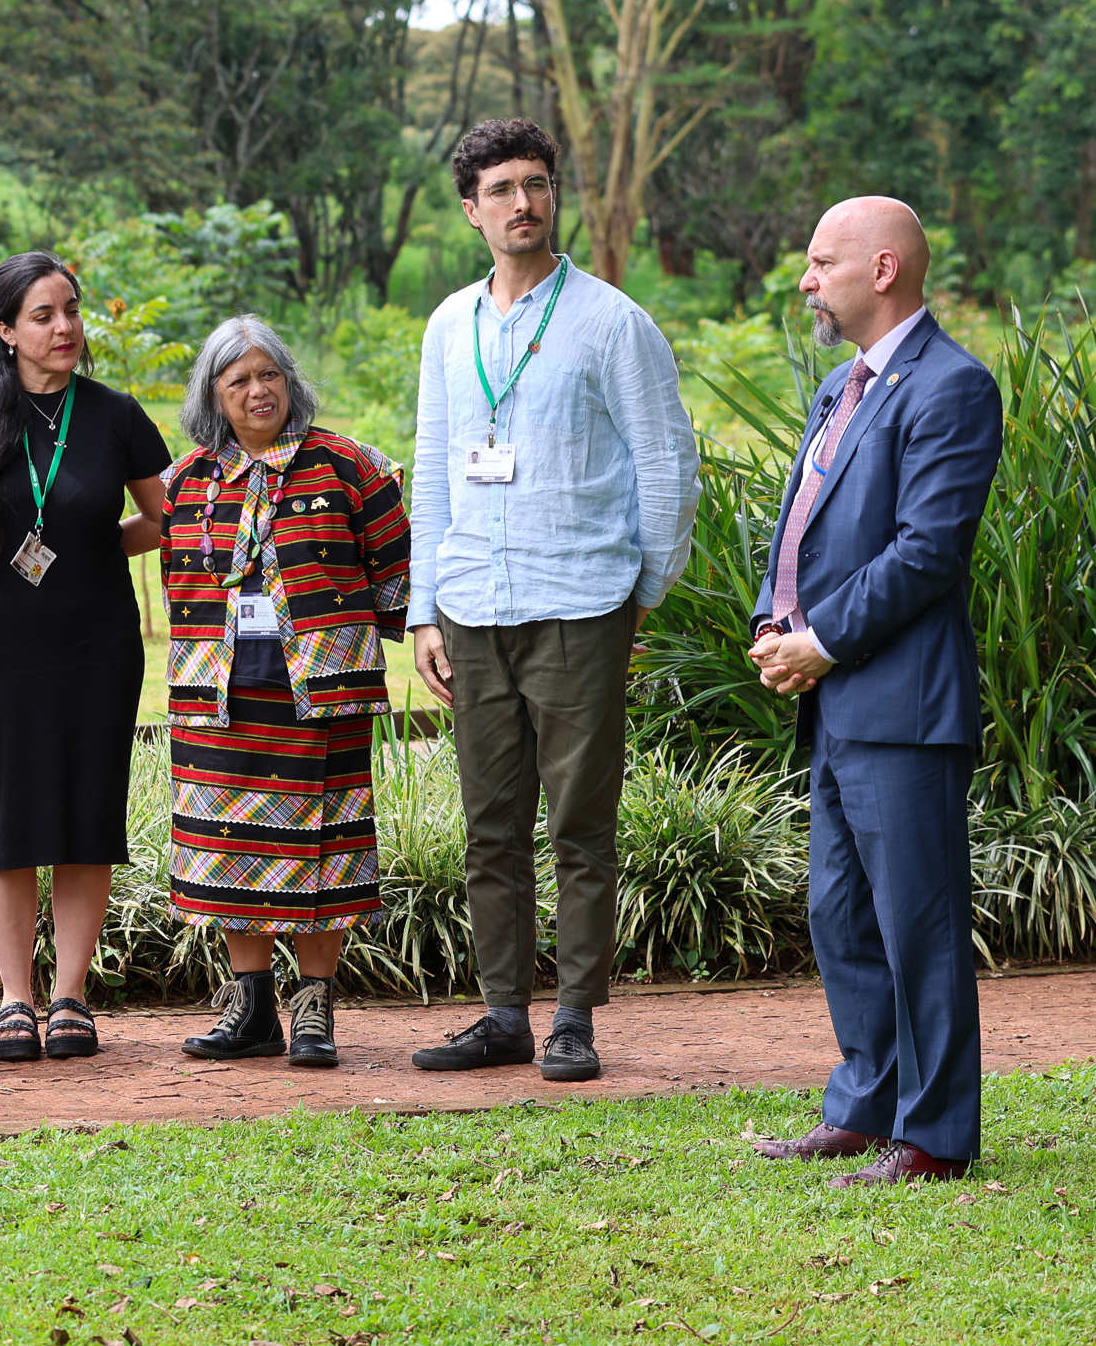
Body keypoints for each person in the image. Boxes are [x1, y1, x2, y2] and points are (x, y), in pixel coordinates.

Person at [407, 117, 699, 1083]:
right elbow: (436, 469)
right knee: (490, 824)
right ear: (470, 209)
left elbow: (667, 464)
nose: (521, 203)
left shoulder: (611, 321)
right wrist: (421, 607)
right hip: (474, 607)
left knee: (579, 819)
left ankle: (573, 1014)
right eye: (500, 190)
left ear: (554, 195)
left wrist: (641, 590)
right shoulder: (450, 326)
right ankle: (502, 1013)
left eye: (535, 184)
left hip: (581, 600)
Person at [746, 198, 1000, 1186]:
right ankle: (863, 1106)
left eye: (818, 262)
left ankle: (933, 1135)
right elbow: (803, 522)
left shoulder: (951, 386)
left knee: (917, 926)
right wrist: (777, 620)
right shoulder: (836, 385)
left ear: (881, 267)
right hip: (836, 698)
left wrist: (823, 639)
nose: (806, 280)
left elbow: (927, 550)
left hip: (901, 701)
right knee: (841, 917)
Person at [0, 253, 171, 1061]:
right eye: (44, 315)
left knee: (89, 814)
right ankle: (14, 997)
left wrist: (93, 551)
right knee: (11, 816)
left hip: (96, 642)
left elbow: (164, 518)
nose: (64, 328)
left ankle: (69, 996)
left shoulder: (118, 416)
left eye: (71, 311)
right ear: (5, 329)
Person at [162, 319, 410, 1068]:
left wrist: (364, 631)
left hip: (322, 687)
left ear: (289, 380)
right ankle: (251, 1009)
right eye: (237, 380)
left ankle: (314, 1011)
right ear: (214, 395)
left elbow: (396, 565)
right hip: (219, 689)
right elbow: (178, 582)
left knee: (322, 847)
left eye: (268, 374)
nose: (257, 390)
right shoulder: (187, 479)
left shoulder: (347, 465)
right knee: (229, 846)